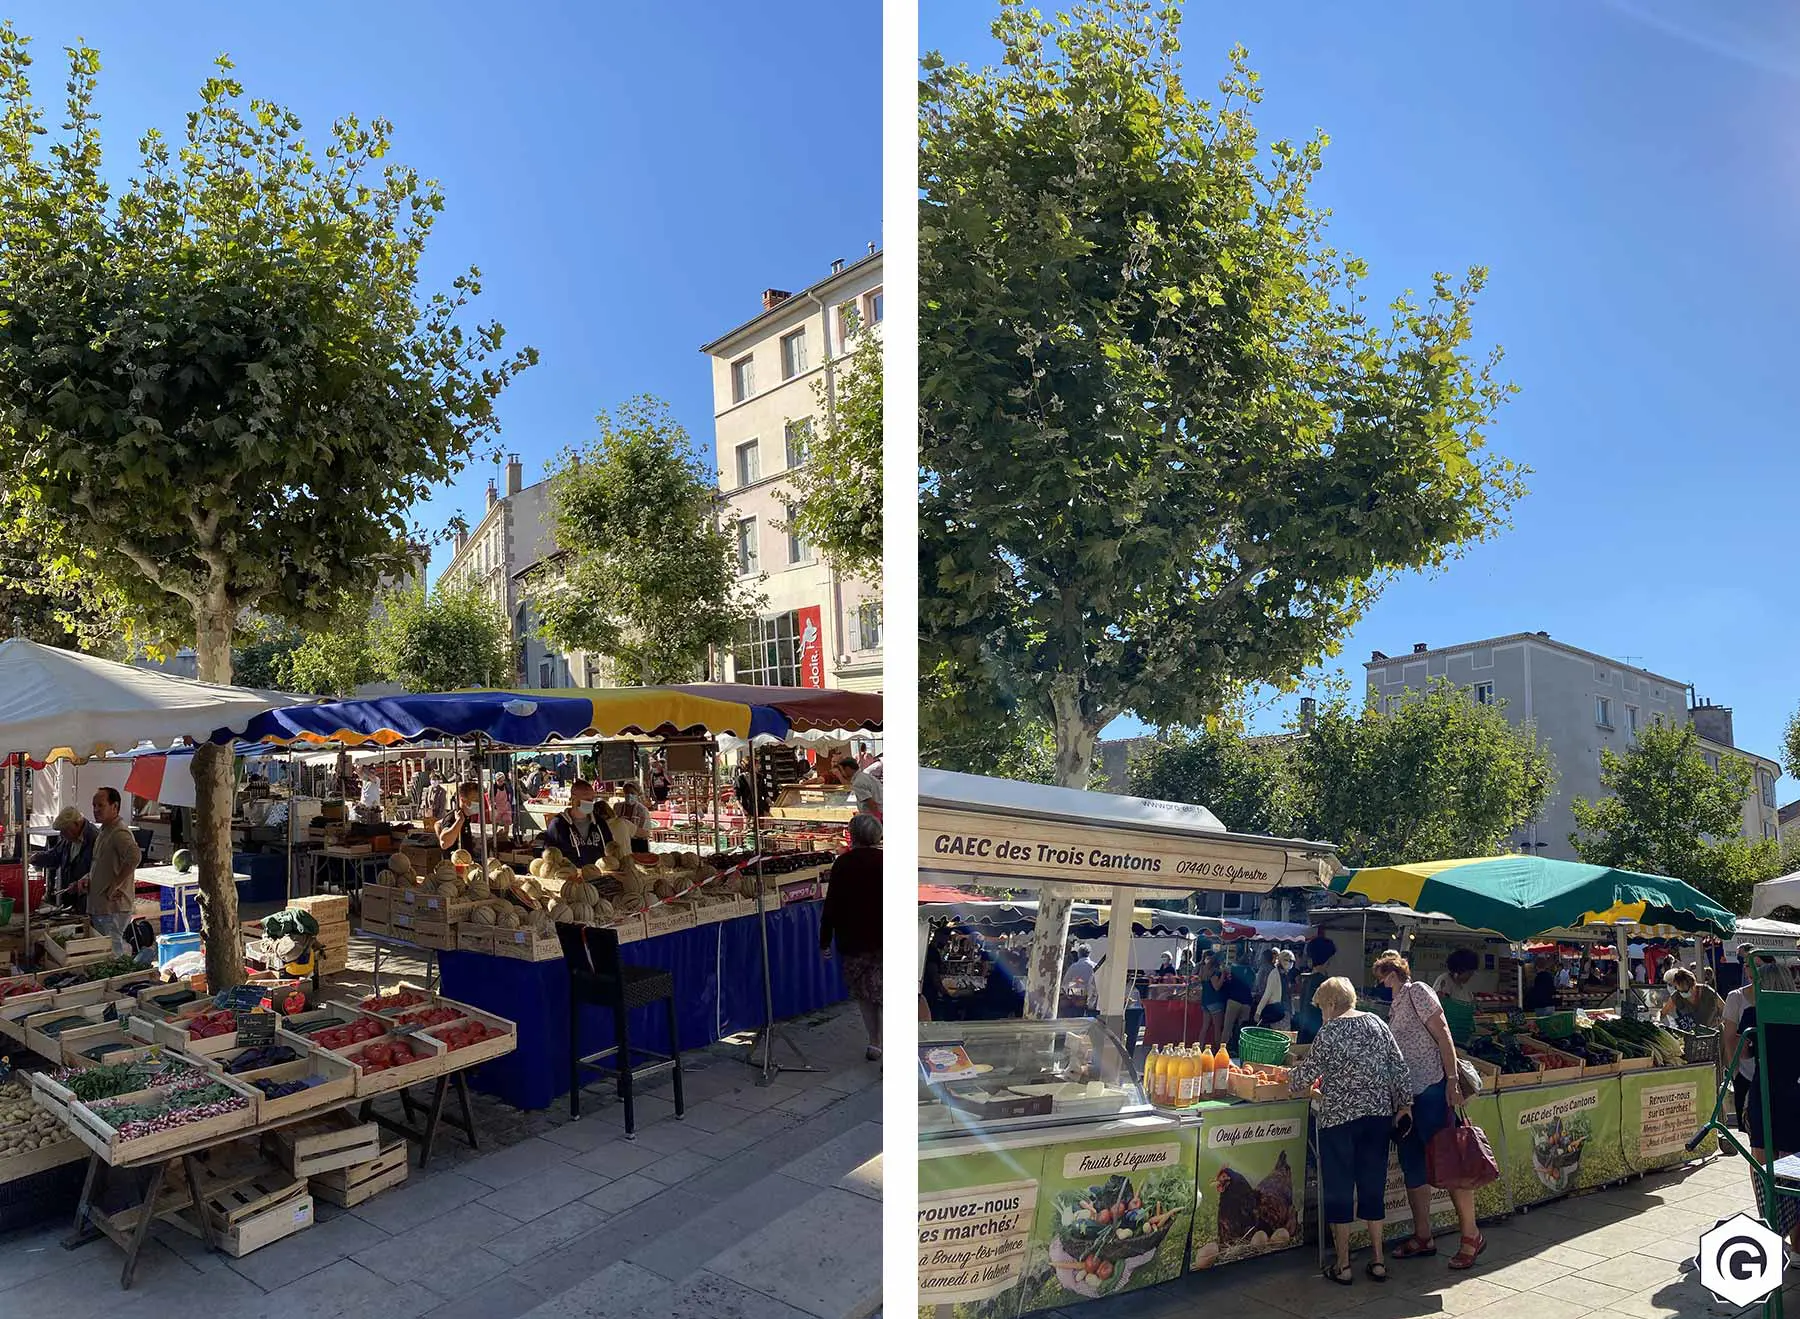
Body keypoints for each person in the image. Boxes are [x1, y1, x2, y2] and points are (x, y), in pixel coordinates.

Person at [1287, 975, 1413, 1286]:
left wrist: (1288, 1079)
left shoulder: (1329, 1031)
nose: (1321, 1014)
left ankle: (1343, 1265)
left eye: (1321, 1008)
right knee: (1372, 1185)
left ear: (1331, 1004)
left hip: (1339, 1121)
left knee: (1340, 1187)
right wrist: (1405, 1104)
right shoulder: (1376, 1023)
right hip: (1377, 1118)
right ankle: (1379, 1260)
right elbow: (1398, 1066)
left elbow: (1305, 1076)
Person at [1375, 951, 1486, 1271]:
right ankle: (1423, 1236)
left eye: (1383, 976)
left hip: (1433, 1090)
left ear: (1393, 974)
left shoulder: (1419, 992)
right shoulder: (1394, 1007)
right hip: (1407, 1100)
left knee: (1449, 1161)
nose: (1382, 982)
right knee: (1413, 1165)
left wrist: (1452, 1081)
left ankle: (1471, 1236)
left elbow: (1444, 1036)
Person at [820, 812, 883, 1060]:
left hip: (853, 939)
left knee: (864, 994)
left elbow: (832, 904)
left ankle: (875, 1042)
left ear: (852, 835)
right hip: (885, 937)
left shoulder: (843, 864)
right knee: (884, 992)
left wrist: (824, 940)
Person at [81, 787, 140, 956]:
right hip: (101, 906)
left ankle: (122, 982)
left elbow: (134, 857)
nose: (96, 809)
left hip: (113, 907)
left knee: (114, 953)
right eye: (94, 805)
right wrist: (87, 879)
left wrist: (116, 884)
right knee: (107, 952)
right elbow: (100, 864)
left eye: (101, 805)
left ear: (115, 807)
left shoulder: (119, 831)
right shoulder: (105, 830)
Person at [31, 806, 98, 912]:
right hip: (70, 901)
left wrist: (80, 885)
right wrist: (35, 858)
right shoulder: (68, 839)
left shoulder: (95, 838)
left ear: (76, 824)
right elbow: (55, 856)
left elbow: (99, 872)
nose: (62, 834)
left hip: (88, 904)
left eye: (64, 831)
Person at [544, 780, 611, 864]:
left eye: (592, 799)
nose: (590, 802)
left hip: (598, 874)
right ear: (573, 797)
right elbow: (549, 856)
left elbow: (610, 848)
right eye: (586, 798)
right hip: (569, 874)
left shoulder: (600, 823)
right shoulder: (558, 824)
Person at [1660, 965, 1723, 1032]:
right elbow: (1662, 1013)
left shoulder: (1707, 991)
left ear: (1693, 985)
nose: (1682, 993)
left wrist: (1719, 1022)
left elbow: (1724, 1008)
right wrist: (1657, 1020)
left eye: (1685, 991)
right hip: (1690, 1035)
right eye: (1679, 991)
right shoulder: (1676, 996)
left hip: (1711, 1033)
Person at [435, 782, 485, 854]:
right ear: (463, 800)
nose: (479, 803)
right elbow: (444, 843)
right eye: (476, 800)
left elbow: (438, 823)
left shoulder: (466, 817)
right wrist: (459, 822)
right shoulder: (453, 818)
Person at [1199, 951, 1227, 1048]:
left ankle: (1200, 1047)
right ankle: (1217, 1050)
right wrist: (1223, 975)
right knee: (1217, 1028)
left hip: (1205, 1001)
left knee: (1205, 1027)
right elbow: (1217, 987)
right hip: (1215, 1001)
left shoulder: (1203, 970)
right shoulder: (1214, 972)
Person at [618, 782, 653, 853]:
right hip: (622, 842)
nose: (629, 795)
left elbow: (646, 832)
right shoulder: (618, 807)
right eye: (626, 792)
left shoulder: (642, 810)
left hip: (638, 843)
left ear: (637, 794)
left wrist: (632, 830)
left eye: (632, 793)